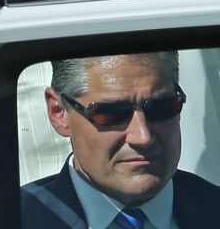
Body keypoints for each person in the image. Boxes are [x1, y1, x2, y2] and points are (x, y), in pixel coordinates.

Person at [20, 52, 220, 227]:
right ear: (59, 112)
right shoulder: (3, 220)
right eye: (112, 113)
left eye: (161, 107)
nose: (143, 137)